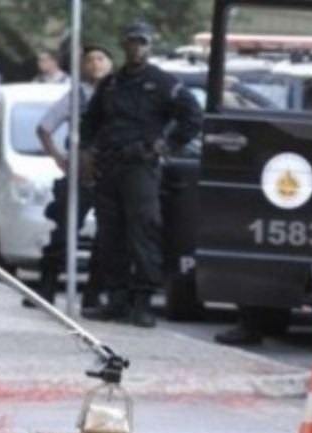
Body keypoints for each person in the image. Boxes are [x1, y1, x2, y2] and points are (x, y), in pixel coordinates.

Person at [81, 22, 202, 328]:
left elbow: (192, 116)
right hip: (109, 166)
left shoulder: (162, 82)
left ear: (149, 46)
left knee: (144, 232)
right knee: (110, 235)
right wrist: (87, 152)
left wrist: (166, 144)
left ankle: (143, 302)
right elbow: (90, 120)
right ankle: (117, 300)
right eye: (132, 42)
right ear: (124, 45)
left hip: (141, 167)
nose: (137, 48)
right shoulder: (111, 84)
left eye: (142, 42)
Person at [23, 44, 114, 309]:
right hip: (80, 173)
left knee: (108, 238)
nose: (95, 64)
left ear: (110, 63)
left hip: (111, 173)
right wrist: (59, 159)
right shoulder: (78, 95)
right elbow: (45, 127)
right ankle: (46, 289)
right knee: (64, 233)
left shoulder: (120, 92)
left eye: (101, 58)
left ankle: (93, 294)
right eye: (90, 60)